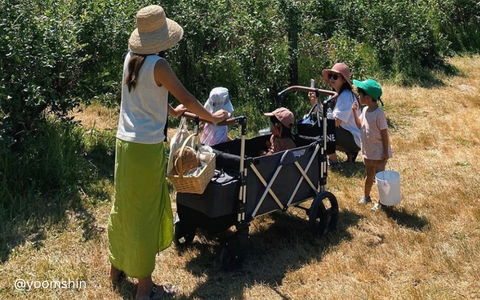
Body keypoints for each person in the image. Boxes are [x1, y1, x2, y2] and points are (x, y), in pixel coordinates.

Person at [108, 5, 228, 300]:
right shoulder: (159, 65)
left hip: (124, 145)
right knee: (145, 212)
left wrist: (172, 111)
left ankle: (116, 269)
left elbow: (144, 97)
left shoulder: (131, 59)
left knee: (124, 207)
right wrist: (212, 118)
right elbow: (187, 95)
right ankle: (145, 289)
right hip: (145, 149)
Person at [309, 63, 361, 168]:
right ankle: (350, 153)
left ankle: (334, 161)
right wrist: (314, 101)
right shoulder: (335, 94)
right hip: (348, 134)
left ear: (343, 80)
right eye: (330, 76)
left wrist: (320, 123)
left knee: (325, 128)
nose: (331, 79)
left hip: (355, 138)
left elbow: (335, 122)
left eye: (335, 76)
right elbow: (323, 114)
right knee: (321, 125)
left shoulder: (345, 96)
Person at [352, 79, 392, 211]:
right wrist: (354, 112)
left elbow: (385, 134)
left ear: (367, 98)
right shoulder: (364, 111)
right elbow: (360, 126)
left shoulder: (379, 114)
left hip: (379, 153)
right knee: (369, 175)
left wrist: (385, 152)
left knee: (381, 178)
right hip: (368, 152)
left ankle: (383, 202)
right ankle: (366, 196)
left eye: (360, 94)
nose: (358, 96)